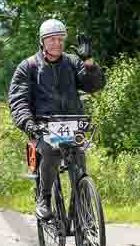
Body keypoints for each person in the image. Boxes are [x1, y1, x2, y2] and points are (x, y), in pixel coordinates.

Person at [7, 19, 106, 220]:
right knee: (51, 152)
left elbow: (94, 85)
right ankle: (43, 198)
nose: (57, 44)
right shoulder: (29, 66)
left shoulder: (72, 62)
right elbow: (18, 101)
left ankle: (84, 222)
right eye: (52, 39)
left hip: (72, 124)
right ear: (42, 42)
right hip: (42, 126)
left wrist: (88, 62)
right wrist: (28, 124)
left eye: (60, 39)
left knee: (79, 166)